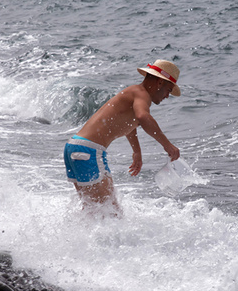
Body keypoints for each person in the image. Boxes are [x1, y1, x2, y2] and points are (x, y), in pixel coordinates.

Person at [65, 59, 184, 216]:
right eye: (169, 90)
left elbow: (130, 123)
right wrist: (167, 145)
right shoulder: (142, 95)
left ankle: (72, 239)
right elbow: (142, 117)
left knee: (94, 211)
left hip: (75, 147)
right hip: (89, 151)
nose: (167, 96)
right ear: (160, 83)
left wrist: (137, 152)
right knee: (110, 214)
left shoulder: (134, 93)